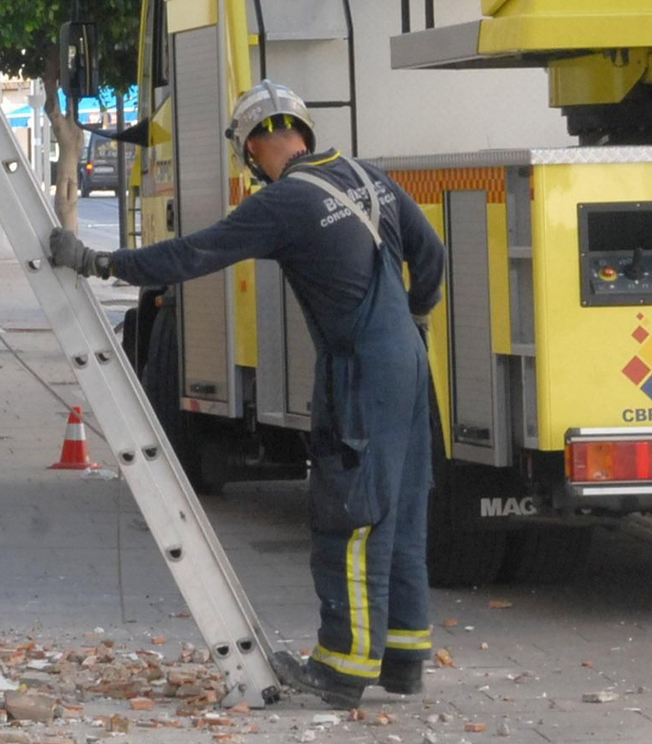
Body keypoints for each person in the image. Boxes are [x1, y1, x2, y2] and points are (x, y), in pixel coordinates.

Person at [48, 80, 445, 705]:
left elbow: (193, 254)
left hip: (359, 371)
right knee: (402, 508)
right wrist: (413, 318)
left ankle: (343, 668)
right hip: (410, 366)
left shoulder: (285, 202)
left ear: (253, 146)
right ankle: (403, 658)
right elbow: (432, 255)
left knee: (351, 514)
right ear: (303, 129)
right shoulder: (370, 178)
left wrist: (102, 263)